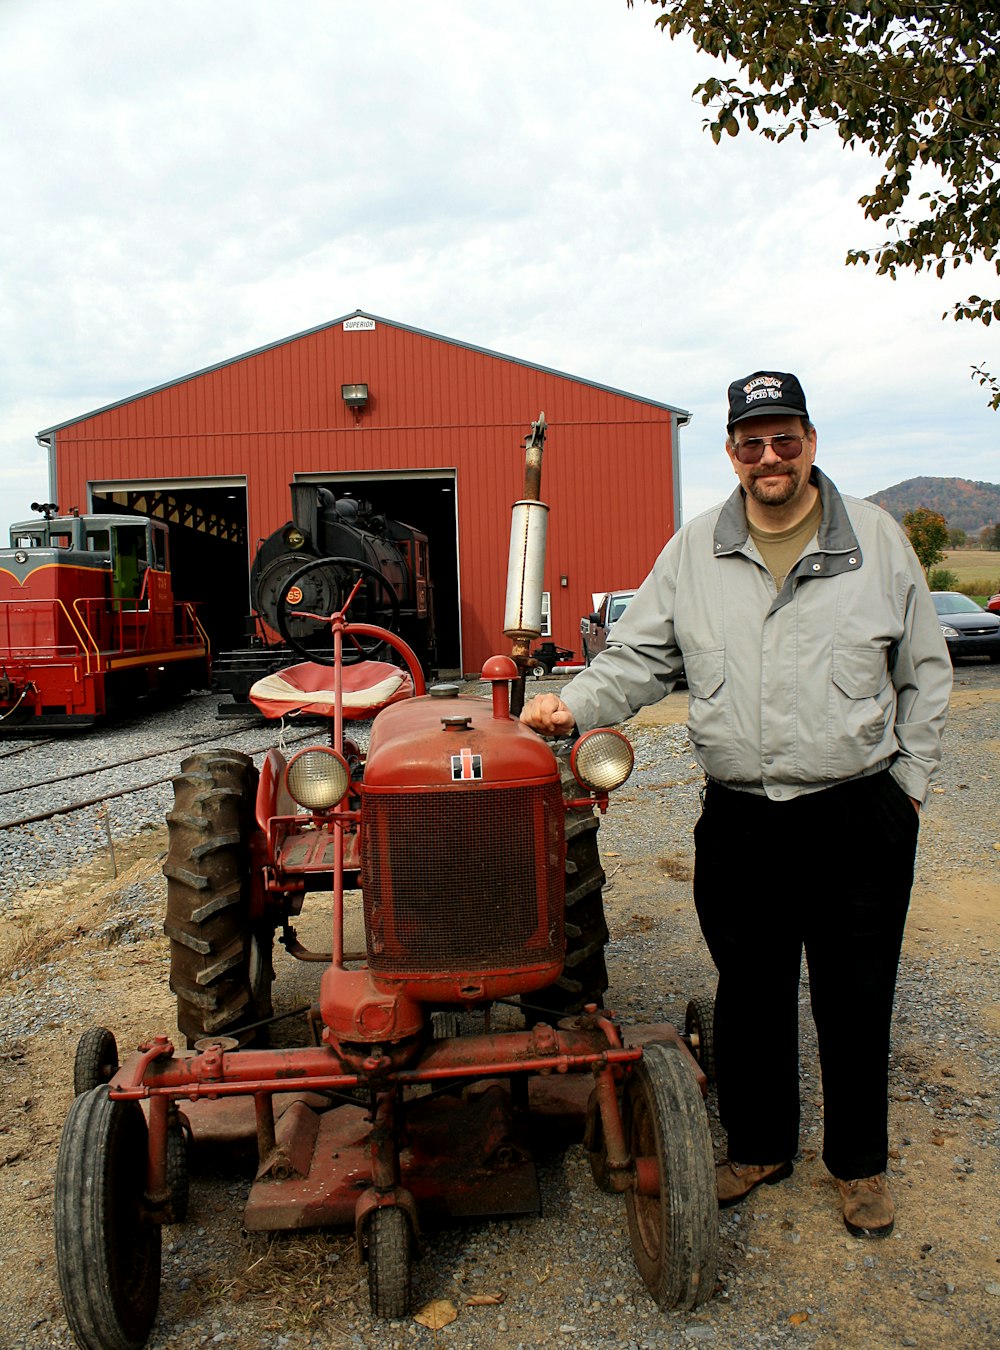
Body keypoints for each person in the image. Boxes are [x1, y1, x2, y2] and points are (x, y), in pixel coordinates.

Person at [521, 370, 952, 1238]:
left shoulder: (875, 540)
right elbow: (638, 658)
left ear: (810, 444)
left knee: (857, 994)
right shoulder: (692, 552)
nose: (770, 457)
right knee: (750, 993)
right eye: (752, 442)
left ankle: (859, 1166)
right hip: (743, 819)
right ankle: (756, 1148)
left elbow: (926, 674)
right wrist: (575, 704)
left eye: (784, 438)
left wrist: (907, 788)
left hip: (857, 811)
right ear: (731, 452)